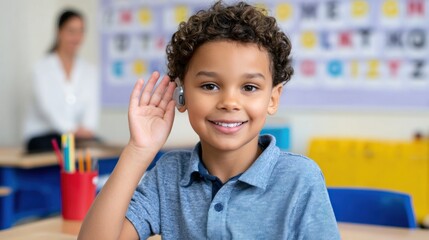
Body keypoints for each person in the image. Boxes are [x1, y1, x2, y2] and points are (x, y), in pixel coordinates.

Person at [79, 1, 340, 239]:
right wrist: (138, 150)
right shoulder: (168, 175)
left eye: (249, 87)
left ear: (273, 98)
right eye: (210, 86)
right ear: (181, 94)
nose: (229, 102)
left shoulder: (299, 178)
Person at [23, 9, 99, 153]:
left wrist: (87, 129)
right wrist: (72, 130)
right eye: (71, 31)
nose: (76, 37)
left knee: (99, 145)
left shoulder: (90, 71)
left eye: (80, 31)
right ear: (59, 32)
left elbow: (91, 108)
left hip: (77, 137)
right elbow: (48, 108)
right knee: (65, 146)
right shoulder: (41, 69)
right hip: (44, 136)